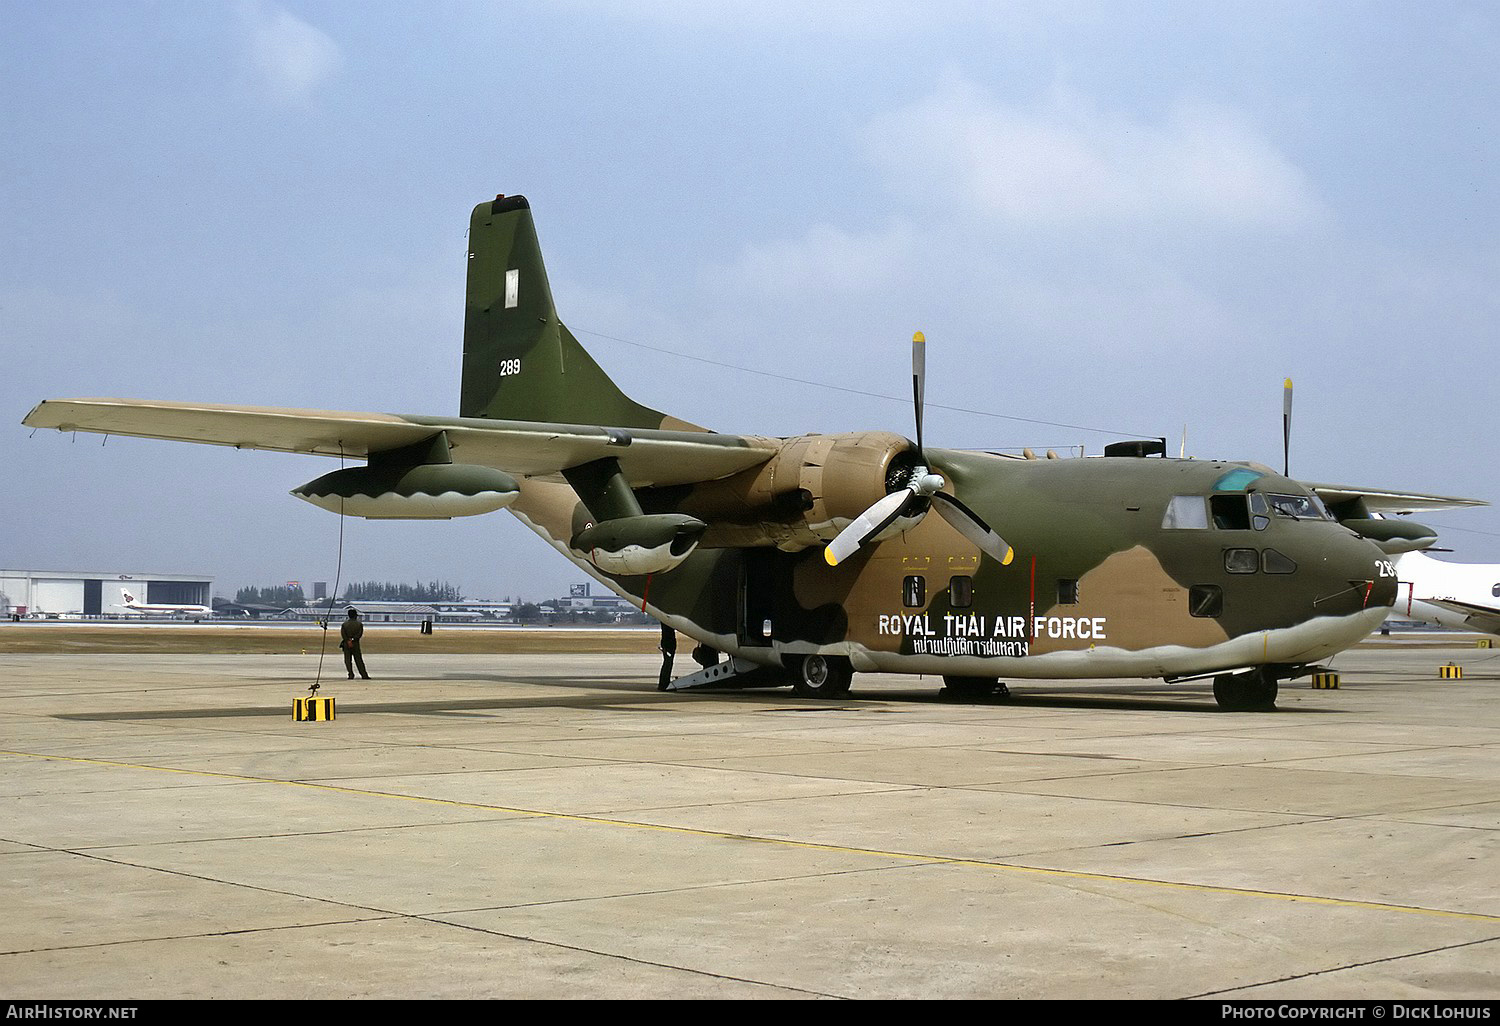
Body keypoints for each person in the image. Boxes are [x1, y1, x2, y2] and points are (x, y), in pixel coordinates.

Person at [340, 607, 370, 680]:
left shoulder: (344, 624)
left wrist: (348, 640)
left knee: (347, 660)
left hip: (346, 644)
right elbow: (359, 634)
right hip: (355, 644)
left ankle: (350, 674)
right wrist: (353, 640)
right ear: (355, 615)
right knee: (358, 660)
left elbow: (343, 634)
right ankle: (363, 674)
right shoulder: (359, 624)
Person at [657, 623, 676, 691]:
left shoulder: (665, 621)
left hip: (667, 644)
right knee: (668, 664)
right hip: (668, 644)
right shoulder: (667, 623)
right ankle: (664, 684)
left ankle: (663, 683)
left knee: (667, 664)